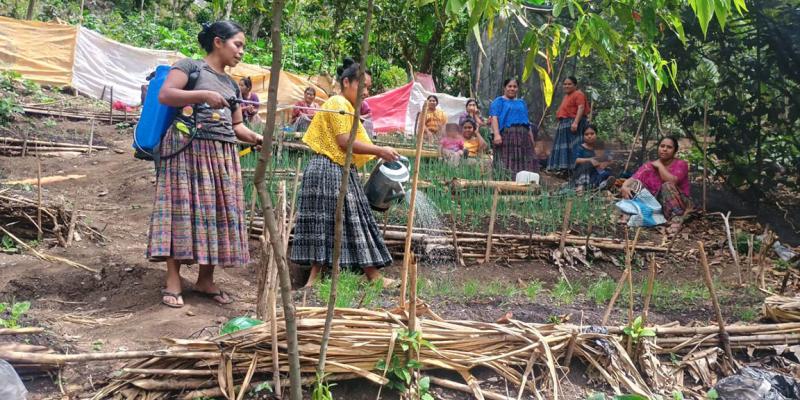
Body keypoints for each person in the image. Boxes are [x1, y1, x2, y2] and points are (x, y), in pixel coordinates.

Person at [147, 21, 263, 308]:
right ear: (218, 42)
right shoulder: (190, 67)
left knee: (215, 215)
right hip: (188, 149)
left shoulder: (231, 84)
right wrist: (202, 95)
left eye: (243, 47)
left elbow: (237, 126)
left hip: (222, 154)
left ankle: (205, 279)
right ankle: (173, 281)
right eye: (238, 45)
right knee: (181, 210)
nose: (241, 52)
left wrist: (259, 137)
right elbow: (166, 94)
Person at [292, 58, 400, 288]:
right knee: (348, 220)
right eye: (364, 86)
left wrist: (377, 152)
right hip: (329, 169)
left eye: (369, 88)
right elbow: (344, 141)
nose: (367, 92)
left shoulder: (349, 109)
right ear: (347, 82)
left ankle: (317, 278)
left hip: (334, 169)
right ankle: (371, 277)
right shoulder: (337, 102)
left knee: (333, 222)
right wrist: (380, 150)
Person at [620, 137, 692, 233]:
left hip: (679, 204)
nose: (664, 149)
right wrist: (624, 186)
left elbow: (672, 181)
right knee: (635, 184)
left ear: (675, 151)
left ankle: (676, 221)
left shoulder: (681, 164)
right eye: (662, 146)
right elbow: (633, 179)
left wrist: (659, 165)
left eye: (669, 147)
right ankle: (628, 214)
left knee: (667, 185)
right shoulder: (649, 165)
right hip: (658, 204)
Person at [489, 78, 538, 179]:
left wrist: (531, 138)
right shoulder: (498, 101)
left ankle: (526, 184)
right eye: (509, 86)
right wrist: (497, 134)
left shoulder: (522, 103)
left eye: (514, 87)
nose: (512, 89)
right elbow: (494, 118)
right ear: (504, 88)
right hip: (507, 135)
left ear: (518, 89)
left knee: (524, 159)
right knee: (507, 159)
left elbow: (526, 121)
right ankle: (505, 183)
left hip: (523, 136)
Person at [548, 76, 591, 173]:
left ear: (575, 85)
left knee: (574, 146)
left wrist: (575, 122)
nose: (566, 86)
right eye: (565, 84)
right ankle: (565, 170)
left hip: (573, 124)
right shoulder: (567, 96)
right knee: (566, 147)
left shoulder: (578, 94)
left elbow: (581, 107)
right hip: (565, 124)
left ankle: (577, 170)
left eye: (569, 84)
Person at [570, 125, 614, 194]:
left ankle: (599, 185)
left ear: (596, 134)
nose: (589, 136)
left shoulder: (599, 146)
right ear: (583, 136)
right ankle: (581, 186)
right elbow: (576, 160)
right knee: (586, 166)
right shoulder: (580, 147)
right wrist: (590, 160)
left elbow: (610, 159)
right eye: (586, 134)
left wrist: (605, 164)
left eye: (592, 134)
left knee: (607, 172)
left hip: (596, 171)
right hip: (582, 172)